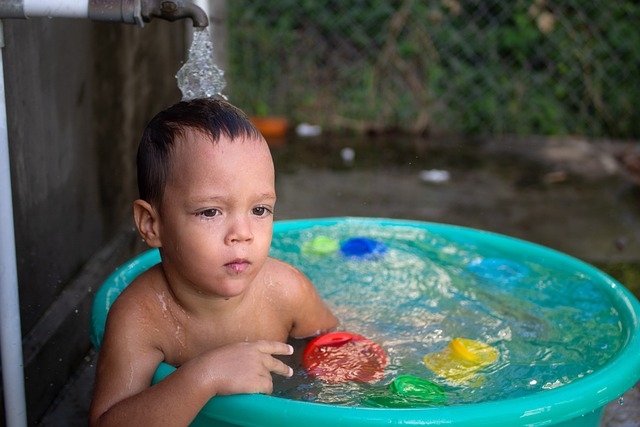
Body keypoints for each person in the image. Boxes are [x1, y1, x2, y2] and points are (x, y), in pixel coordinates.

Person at [89, 98, 338, 426]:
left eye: (259, 210)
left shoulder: (288, 290)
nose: (242, 234)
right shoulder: (142, 317)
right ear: (152, 224)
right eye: (210, 212)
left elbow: (333, 349)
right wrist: (206, 375)